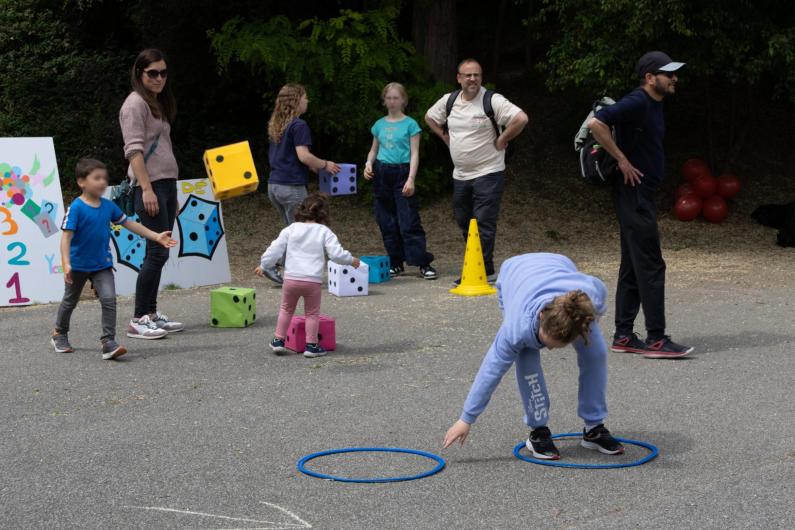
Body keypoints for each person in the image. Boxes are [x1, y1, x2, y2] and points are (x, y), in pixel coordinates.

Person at [442, 253, 625, 460]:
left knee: (596, 353)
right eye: (547, 343)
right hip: (514, 274)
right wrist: (466, 419)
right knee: (526, 358)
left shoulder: (587, 297)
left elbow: (600, 289)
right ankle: (538, 431)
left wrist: (597, 317)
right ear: (540, 317)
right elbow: (490, 371)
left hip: (559, 265)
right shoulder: (516, 328)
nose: (551, 350)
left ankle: (594, 427)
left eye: (558, 346)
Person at [588, 51, 693, 358]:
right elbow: (597, 124)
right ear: (650, 78)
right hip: (632, 191)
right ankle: (657, 340)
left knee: (634, 262)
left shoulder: (653, 105)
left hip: (639, 192)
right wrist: (622, 160)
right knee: (651, 262)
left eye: (675, 73)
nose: (674, 78)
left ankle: (623, 335)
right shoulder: (638, 101)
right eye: (668, 74)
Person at [51, 159, 177, 359]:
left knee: (109, 299)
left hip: (102, 264)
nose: (102, 182)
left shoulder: (108, 206)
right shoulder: (76, 207)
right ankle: (60, 332)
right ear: (81, 182)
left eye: (104, 178)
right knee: (70, 300)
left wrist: (156, 236)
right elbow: (66, 238)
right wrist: (66, 263)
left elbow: (130, 224)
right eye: (97, 178)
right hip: (78, 265)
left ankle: (108, 342)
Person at [425, 58, 528, 283]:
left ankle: (483, 271)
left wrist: (502, 139)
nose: (473, 79)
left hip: (489, 172)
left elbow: (521, 118)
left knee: (483, 221)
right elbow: (430, 117)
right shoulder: (449, 101)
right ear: (459, 78)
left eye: (477, 75)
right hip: (460, 175)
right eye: (468, 75)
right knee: (464, 220)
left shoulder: (492, 100)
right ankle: (479, 263)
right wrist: (445, 137)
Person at [119, 48, 183, 339]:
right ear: (139, 73)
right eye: (152, 73)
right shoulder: (135, 105)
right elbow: (134, 151)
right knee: (156, 252)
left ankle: (151, 313)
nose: (159, 78)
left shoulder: (156, 103)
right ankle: (139, 318)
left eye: (163, 72)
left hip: (165, 185)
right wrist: (146, 189)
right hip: (151, 186)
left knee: (159, 252)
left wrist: (171, 191)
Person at [256, 193, 360, 359]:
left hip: (290, 279)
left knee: (286, 309)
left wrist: (264, 265)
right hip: (312, 281)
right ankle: (311, 345)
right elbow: (336, 254)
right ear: (323, 213)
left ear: (301, 210)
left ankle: (278, 340)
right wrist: (351, 260)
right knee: (312, 313)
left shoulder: (290, 229)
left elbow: (274, 249)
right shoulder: (324, 231)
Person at [263, 84, 343, 285]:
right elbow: (303, 155)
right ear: (296, 100)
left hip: (274, 186)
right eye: (305, 97)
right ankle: (271, 265)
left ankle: (285, 269)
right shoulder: (299, 125)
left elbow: (289, 156)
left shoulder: (278, 124)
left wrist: (312, 167)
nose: (308, 101)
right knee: (300, 232)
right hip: (291, 187)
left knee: (292, 230)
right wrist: (326, 165)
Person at [364, 82, 436, 279]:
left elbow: (414, 154)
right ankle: (395, 262)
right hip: (381, 173)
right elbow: (374, 149)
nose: (392, 102)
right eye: (389, 98)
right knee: (386, 221)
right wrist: (368, 164)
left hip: (402, 173)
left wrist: (411, 179)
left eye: (396, 98)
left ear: (403, 100)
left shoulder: (411, 124)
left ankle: (423, 262)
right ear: (384, 100)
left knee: (408, 221)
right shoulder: (379, 124)